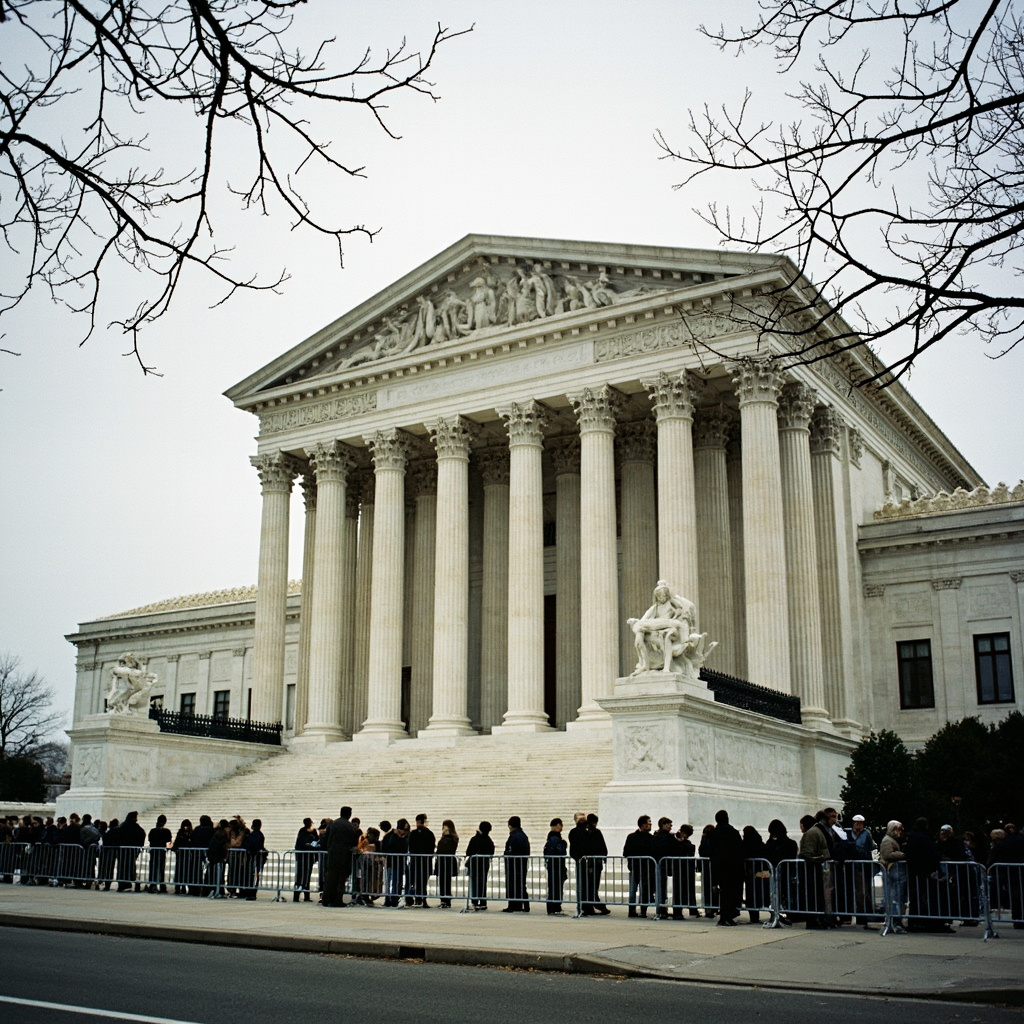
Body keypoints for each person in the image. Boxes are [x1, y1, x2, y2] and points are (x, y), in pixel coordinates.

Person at [706, 810, 744, 926]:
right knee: (731, 893)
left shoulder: (713, 833)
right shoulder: (732, 832)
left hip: (718, 866)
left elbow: (709, 850)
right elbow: (740, 849)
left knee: (723, 893)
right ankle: (727, 917)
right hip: (732, 866)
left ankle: (724, 916)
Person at [322, 805, 359, 907]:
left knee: (330, 877)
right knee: (340, 879)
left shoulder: (333, 824)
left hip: (332, 854)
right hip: (343, 855)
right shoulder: (349, 826)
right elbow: (352, 841)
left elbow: (326, 839)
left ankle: (326, 900)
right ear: (349, 814)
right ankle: (337, 900)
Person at [798, 813, 831, 928]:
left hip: (811, 869)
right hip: (816, 868)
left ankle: (813, 920)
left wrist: (804, 858)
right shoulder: (818, 831)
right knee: (817, 895)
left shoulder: (811, 833)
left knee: (812, 895)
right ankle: (818, 919)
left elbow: (807, 853)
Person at [764, 819, 798, 925]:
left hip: (778, 873)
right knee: (783, 894)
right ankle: (782, 913)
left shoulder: (771, 844)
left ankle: (777, 914)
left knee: (776, 894)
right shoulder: (791, 843)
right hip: (785, 872)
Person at [847, 815, 878, 928]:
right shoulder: (848, 833)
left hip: (863, 866)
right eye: (856, 822)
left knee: (864, 893)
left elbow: (871, 848)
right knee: (854, 892)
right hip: (852, 866)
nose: (858, 825)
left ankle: (863, 917)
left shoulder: (867, 834)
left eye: (860, 823)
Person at [623, 815, 656, 918]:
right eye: (649, 823)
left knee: (634, 889)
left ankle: (632, 910)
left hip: (635, 866)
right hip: (643, 867)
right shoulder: (650, 838)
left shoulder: (631, 837)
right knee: (643, 889)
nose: (650, 825)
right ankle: (643, 910)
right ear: (644, 825)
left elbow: (626, 852)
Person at [878, 820, 907, 932]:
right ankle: (894, 921)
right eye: (895, 829)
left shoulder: (893, 840)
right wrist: (902, 854)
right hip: (892, 871)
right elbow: (887, 855)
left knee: (897, 897)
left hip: (895, 871)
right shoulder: (887, 840)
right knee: (893, 897)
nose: (898, 832)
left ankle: (896, 920)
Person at [741, 825, 769, 924]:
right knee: (759, 892)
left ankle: (753, 916)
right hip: (759, 873)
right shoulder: (759, 843)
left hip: (750, 873)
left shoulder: (746, 844)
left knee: (751, 895)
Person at [407, 813, 436, 908]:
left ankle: (418, 898)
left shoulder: (414, 834)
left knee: (416, 880)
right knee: (421, 881)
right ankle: (421, 898)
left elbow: (410, 847)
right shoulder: (428, 833)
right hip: (423, 861)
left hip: (417, 861)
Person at [502, 816, 530, 912]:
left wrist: (506, 854)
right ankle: (525, 904)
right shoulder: (523, 836)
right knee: (521, 884)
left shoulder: (514, 836)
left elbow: (511, 851)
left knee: (513, 884)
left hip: (513, 865)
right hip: (522, 864)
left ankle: (514, 905)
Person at [465, 821, 494, 910]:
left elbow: (468, 852)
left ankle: (474, 901)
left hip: (475, 864)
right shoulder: (488, 840)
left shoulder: (474, 839)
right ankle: (482, 901)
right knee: (482, 883)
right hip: (484, 864)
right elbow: (491, 852)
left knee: (474, 883)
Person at [380, 818, 409, 908]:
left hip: (398, 862)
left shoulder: (399, 837)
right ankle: (390, 898)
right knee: (390, 881)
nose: (405, 832)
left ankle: (393, 898)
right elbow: (386, 848)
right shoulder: (390, 836)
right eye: (404, 830)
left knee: (396, 881)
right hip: (391, 862)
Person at [543, 818, 568, 915]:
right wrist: (564, 844)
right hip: (556, 866)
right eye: (560, 825)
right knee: (556, 887)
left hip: (554, 866)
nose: (561, 827)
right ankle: (554, 906)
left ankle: (554, 906)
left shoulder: (552, 838)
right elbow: (559, 851)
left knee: (554, 886)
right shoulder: (555, 839)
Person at [119, 810, 146, 892]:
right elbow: (142, 835)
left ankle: (123, 884)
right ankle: (130, 882)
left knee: (123, 867)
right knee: (130, 866)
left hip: (124, 850)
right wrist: (139, 847)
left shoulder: (123, 826)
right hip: (132, 850)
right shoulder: (137, 828)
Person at [293, 817, 318, 902]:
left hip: (309, 857)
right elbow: (299, 843)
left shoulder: (313, 832)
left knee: (307, 876)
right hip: (302, 857)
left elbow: (317, 842)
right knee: (300, 876)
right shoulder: (302, 831)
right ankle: (296, 896)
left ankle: (306, 895)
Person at [436, 820, 459, 909]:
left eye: (445, 826)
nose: (443, 828)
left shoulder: (452, 838)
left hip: (447, 861)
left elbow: (448, 848)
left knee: (446, 881)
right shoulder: (444, 837)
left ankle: (446, 900)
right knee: (442, 881)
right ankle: (443, 900)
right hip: (442, 861)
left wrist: (446, 836)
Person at [146, 814, 172, 893]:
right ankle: (162, 886)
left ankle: (152, 885)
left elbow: (150, 839)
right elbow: (169, 840)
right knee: (161, 869)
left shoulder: (153, 831)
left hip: (154, 851)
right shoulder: (166, 831)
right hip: (161, 851)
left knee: (153, 868)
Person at [242, 818, 266, 900]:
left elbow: (249, 845)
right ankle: (252, 892)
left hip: (254, 857)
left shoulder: (254, 835)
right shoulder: (258, 835)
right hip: (256, 858)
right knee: (254, 876)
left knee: (253, 876)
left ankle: (251, 892)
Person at [171, 819, 192, 895]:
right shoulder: (181, 833)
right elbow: (177, 842)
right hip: (182, 856)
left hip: (185, 856)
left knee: (184, 872)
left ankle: (183, 887)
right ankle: (178, 887)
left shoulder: (189, 833)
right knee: (181, 871)